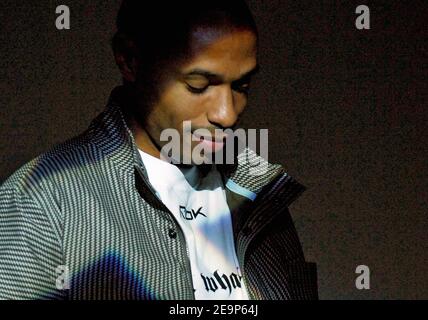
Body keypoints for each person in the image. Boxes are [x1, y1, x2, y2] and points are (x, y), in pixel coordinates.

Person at [0, 0, 317, 300]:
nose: (227, 114)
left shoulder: (260, 196)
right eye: (198, 85)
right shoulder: (39, 206)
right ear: (130, 60)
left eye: (241, 86)